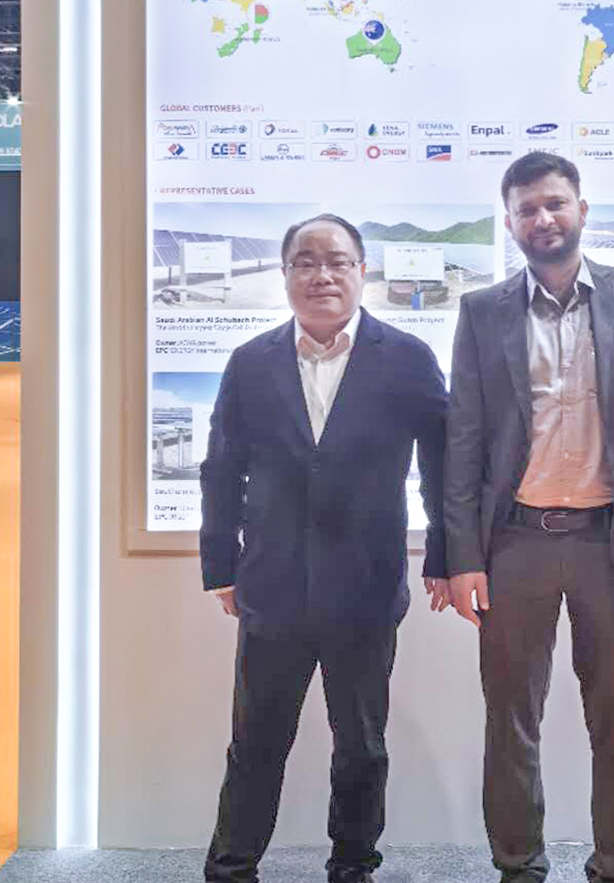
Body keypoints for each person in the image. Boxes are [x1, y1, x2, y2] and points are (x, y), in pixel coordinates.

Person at [445, 151, 614, 883]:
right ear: (509, 224)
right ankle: (518, 868)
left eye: (554, 203)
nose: (543, 218)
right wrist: (464, 557)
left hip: (613, 542)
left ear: (582, 210)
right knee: (510, 723)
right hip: (514, 544)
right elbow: (463, 440)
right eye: (526, 209)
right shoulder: (482, 311)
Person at [199, 213, 449, 883]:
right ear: (285, 275)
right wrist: (219, 564)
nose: (322, 275)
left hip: (366, 589)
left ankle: (353, 866)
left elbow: (443, 466)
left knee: (361, 747)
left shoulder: (407, 359)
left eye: (337, 261)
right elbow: (221, 469)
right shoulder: (251, 363)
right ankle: (231, 868)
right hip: (272, 587)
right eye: (305, 262)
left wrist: (446, 556)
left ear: (362, 271)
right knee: (255, 743)